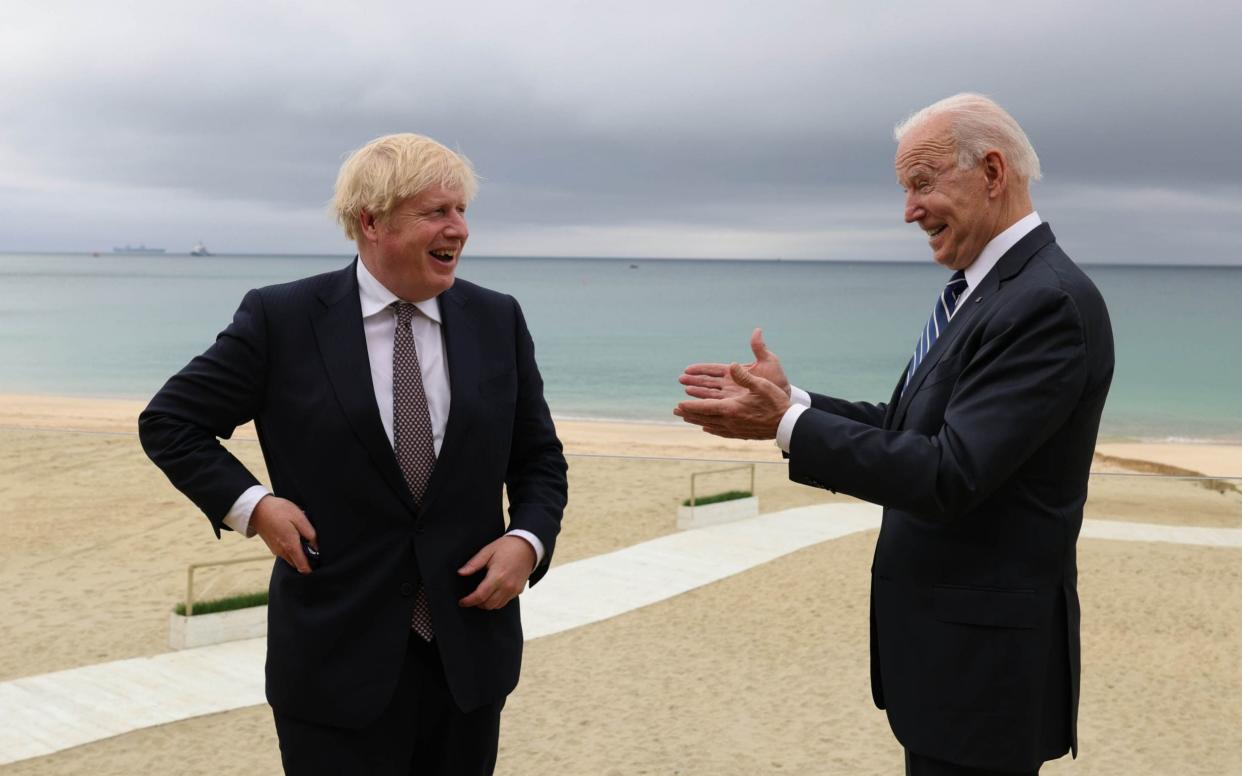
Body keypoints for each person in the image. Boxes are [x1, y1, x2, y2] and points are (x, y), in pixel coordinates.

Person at [675, 94, 1113, 775]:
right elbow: (908, 426)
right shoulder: (987, 289)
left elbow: (948, 474)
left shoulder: (1044, 301)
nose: (909, 210)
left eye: (922, 183)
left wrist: (788, 426)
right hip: (946, 665)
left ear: (992, 173)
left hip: (984, 677)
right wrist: (791, 402)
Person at [140, 133, 568, 775]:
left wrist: (527, 540)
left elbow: (538, 459)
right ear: (371, 222)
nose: (460, 229)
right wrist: (254, 507)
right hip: (332, 666)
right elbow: (171, 421)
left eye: (462, 210)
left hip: (469, 663)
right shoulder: (280, 318)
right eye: (438, 212)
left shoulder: (497, 318)